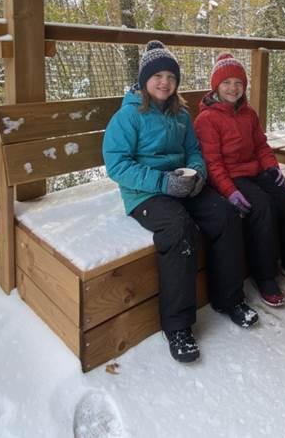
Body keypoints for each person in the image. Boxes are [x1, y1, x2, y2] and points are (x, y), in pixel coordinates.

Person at [102, 41, 257, 364]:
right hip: (145, 193)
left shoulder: (181, 114)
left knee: (225, 215)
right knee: (179, 229)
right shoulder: (128, 116)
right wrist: (162, 183)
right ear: (144, 80)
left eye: (171, 77)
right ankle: (178, 326)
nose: (164, 82)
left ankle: (229, 298)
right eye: (157, 76)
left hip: (184, 184)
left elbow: (194, 152)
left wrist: (198, 174)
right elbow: (117, 165)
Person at [193, 54, 285, 308]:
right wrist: (229, 191)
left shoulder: (248, 113)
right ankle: (264, 276)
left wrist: (273, 168)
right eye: (227, 83)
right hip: (230, 179)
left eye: (238, 83)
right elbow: (212, 163)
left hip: (254, 173)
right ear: (216, 87)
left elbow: (261, 146)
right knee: (261, 206)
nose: (233, 88)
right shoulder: (207, 119)